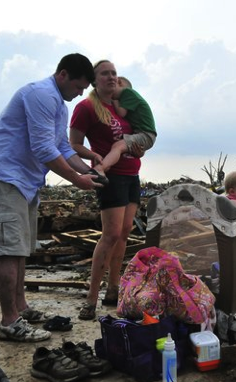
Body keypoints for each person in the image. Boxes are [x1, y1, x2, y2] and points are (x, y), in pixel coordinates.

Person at [0, 53, 99, 342]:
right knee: (7, 250)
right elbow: (44, 149)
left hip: (24, 184)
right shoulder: (41, 94)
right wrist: (77, 180)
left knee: (19, 250)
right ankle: (9, 323)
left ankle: (21, 308)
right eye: (79, 87)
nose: (81, 93)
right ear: (63, 75)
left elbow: (63, 148)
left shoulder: (59, 105)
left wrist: (91, 170)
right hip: (5, 179)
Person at [69, 60, 147, 320]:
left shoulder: (122, 106)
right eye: (105, 73)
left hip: (132, 175)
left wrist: (139, 149)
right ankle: (91, 299)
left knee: (124, 233)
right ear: (95, 79)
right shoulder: (87, 107)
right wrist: (95, 157)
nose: (112, 77)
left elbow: (139, 139)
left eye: (114, 73)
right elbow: (73, 144)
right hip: (109, 177)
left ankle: (113, 290)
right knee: (110, 234)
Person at [89, 76, 157, 181]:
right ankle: (105, 166)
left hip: (146, 134)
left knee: (118, 146)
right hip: (143, 135)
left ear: (119, 83)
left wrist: (115, 99)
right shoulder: (130, 102)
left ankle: (101, 168)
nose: (111, 92)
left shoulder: (128, 93)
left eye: (113, 88)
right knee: (119, 146)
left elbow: (121, 112)